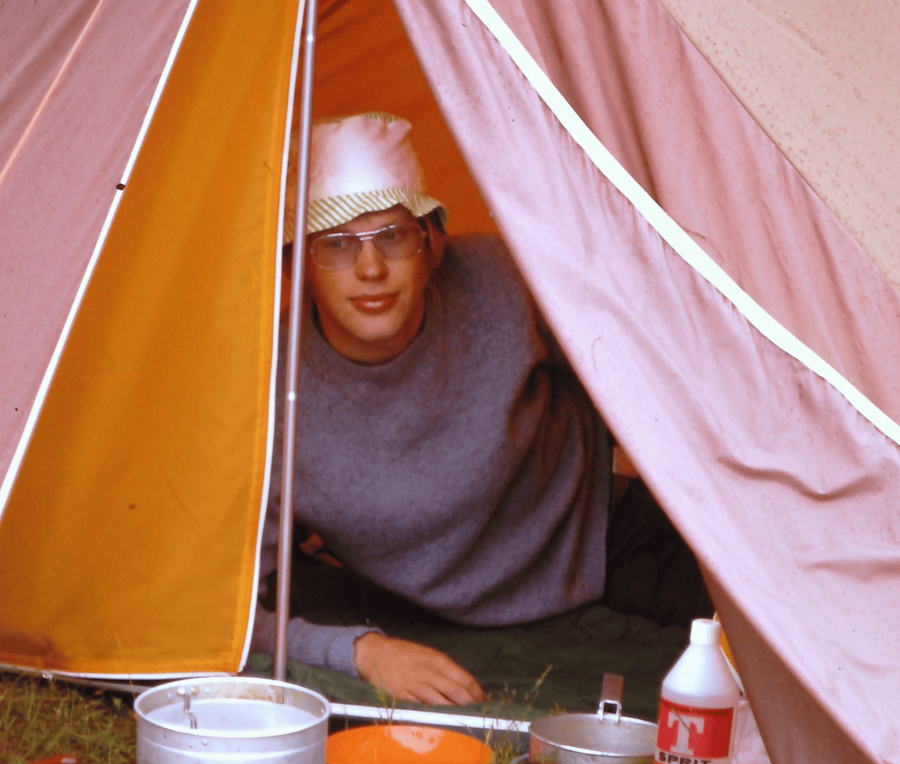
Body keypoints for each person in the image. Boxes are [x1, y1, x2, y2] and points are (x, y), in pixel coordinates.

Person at [252, 112, 710, 706]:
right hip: (423, 606)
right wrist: (361, 651)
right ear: (298, 265)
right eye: (336, 244)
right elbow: (229, 613)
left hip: (611, 536)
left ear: (429, 242)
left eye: (391, 235)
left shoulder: (499, 278)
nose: (370, 269)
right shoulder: (274, 390)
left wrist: (648, 457)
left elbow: (647, 369)